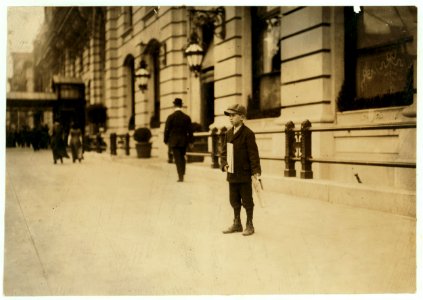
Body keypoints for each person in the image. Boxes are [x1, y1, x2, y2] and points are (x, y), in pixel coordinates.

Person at [220, 104, 261, 236]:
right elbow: (224, 153)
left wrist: (256, 171)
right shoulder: (228, 133)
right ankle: (237, 223)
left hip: (244, 173)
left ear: (242, 117)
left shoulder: (248, 134)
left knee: (247, 200)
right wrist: (224, 164)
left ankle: (250, 223)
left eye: (233, 115)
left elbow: (253, 154)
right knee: (233, 199)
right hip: (232, 172)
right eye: (229, 116)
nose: (230, 118)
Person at [164, 98, 193, 182]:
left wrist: (165, 140)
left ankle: (180, 176)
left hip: (174, 141)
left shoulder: (170, 117)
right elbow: (190, 131)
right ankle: (182, 173)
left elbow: (167, 130)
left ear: (174, 105)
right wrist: (191, 141)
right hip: (184, 141)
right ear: (181, 105)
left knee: (177, 158)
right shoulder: (186, 117)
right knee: (182, 157)